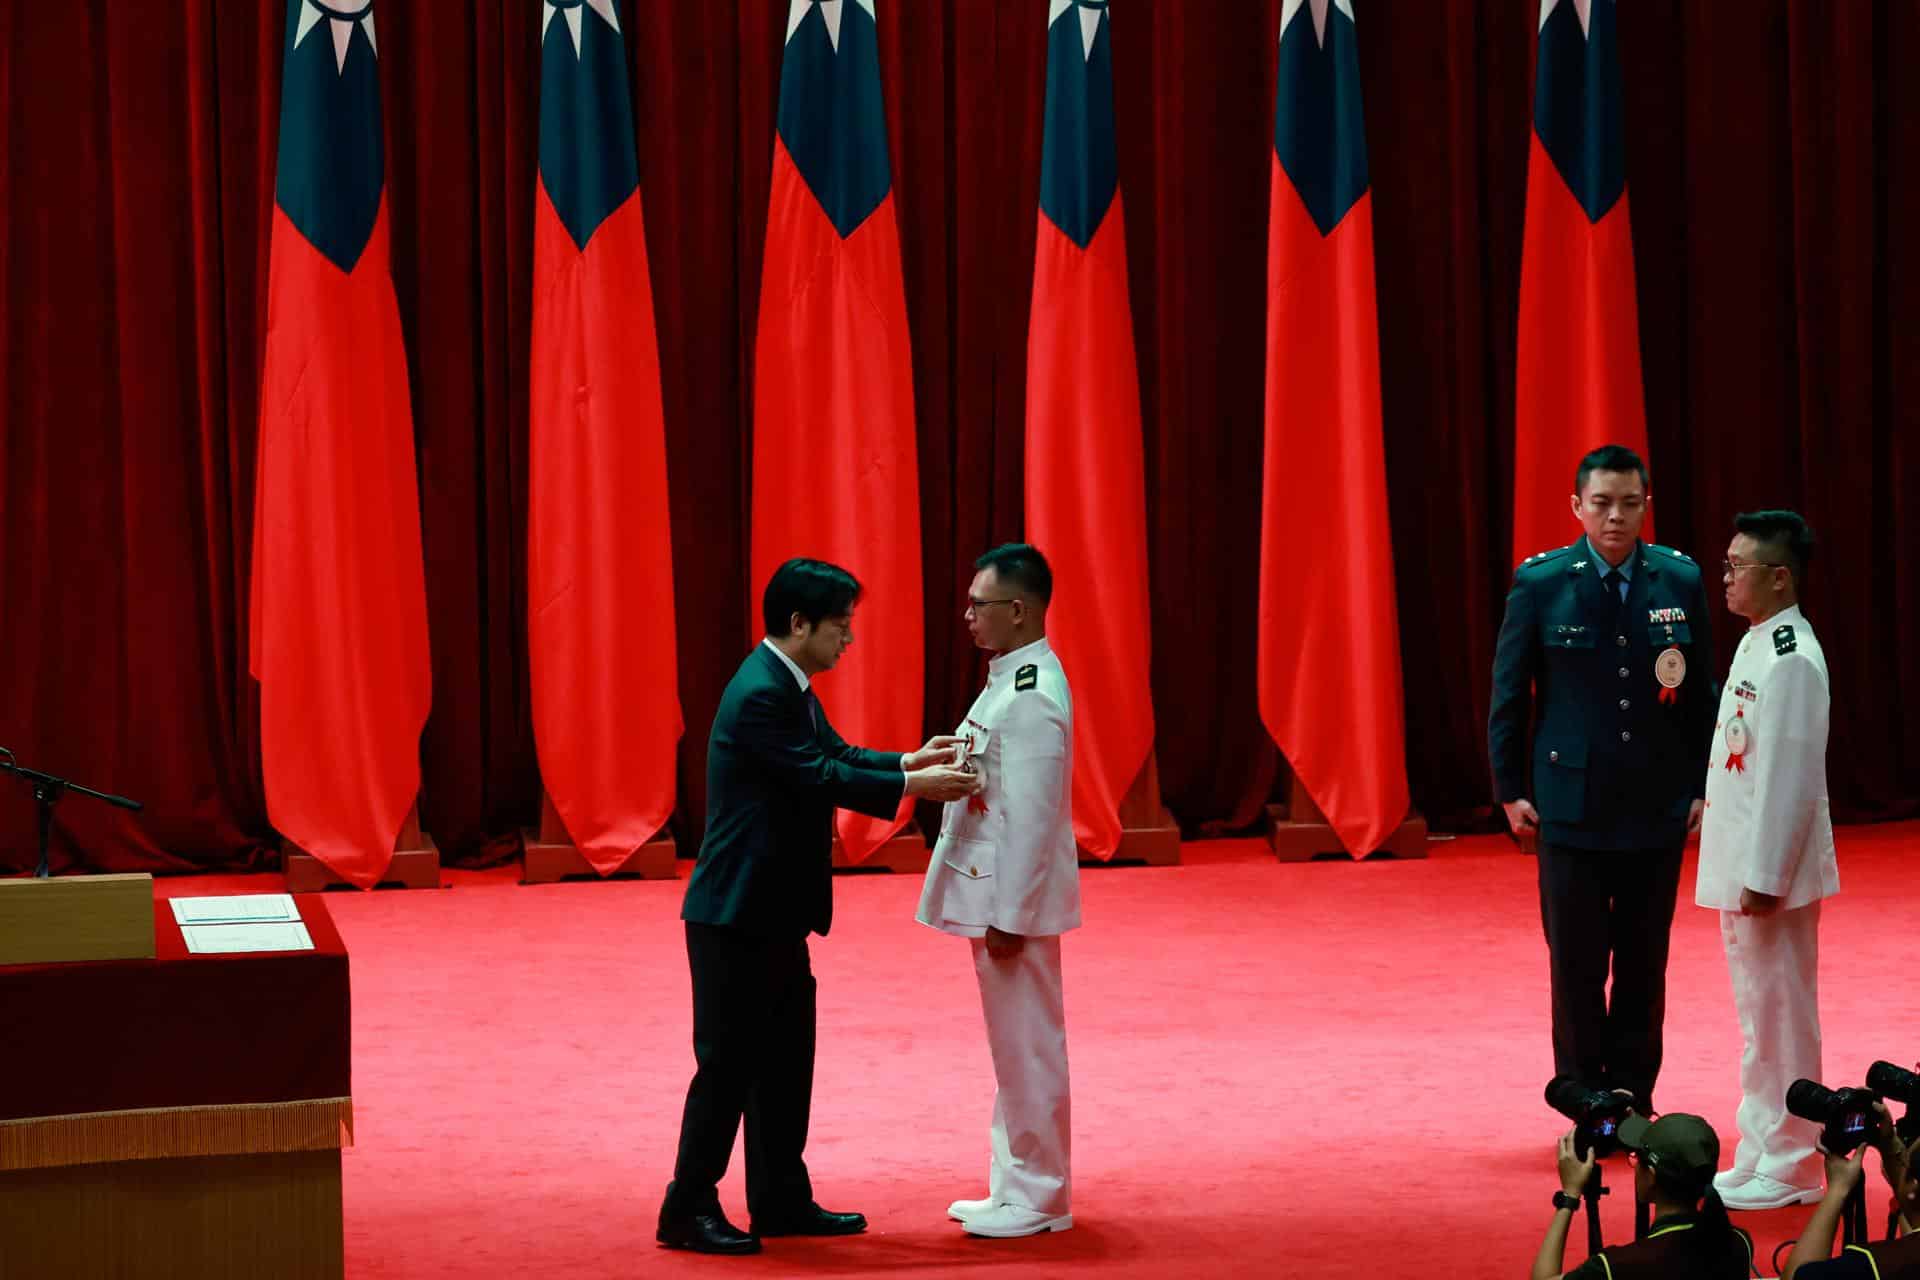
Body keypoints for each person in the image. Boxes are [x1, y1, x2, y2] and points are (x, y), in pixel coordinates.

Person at [657, 558, 981, 1255]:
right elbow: (820, 775)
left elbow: (835, 752)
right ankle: (686, 1207)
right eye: (841, 627)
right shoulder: (762, 695)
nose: (849, 641)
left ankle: (778, 1197)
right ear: (799, 624)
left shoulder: (787, 682)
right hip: (735, 914)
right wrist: (916, 786)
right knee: (729, 1065)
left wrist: (908, 762)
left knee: (783, 1060)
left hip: (770, 912)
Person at [1490, 444, 1715, 1115]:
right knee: (1578, 962)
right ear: (1577, 507)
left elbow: (1701, 692)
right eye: (1601, 503)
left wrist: (1705, 785)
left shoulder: (1677, 580)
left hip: (1656, 802)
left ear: (1646, 505)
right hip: (1570, 806)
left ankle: (1633, 1093)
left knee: (1645, 962)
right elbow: (1510, 694)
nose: (1615, 517)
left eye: (1629, 503)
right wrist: (1509, 789)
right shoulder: (1542, 583)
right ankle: (1585, 1095)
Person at [917, 543, 1080, 1239]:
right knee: (1010, 1046)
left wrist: (1010, 916)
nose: (968, 617)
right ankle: (1014, 1182)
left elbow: (1034, 822)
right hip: (997, 894)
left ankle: (1041, 1194)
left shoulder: (1033, 696)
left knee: (1028, 1045)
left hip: (1013, 903)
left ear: (1018, 610)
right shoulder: (1009, 678)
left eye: (979, 605)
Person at [1696, 510, 1839, 1211]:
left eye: (1737, 565)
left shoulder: (1791, 657)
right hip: (1745, 867)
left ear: (1778, 577)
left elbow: (1788, 780)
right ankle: (1761, 1145)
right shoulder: (1759, 643)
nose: (1726, 576)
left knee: (1780, 1016)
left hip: (1768, 877)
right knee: (1759, 1016)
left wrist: (1765, 877)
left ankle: (1792, 1161)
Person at [1532, 1112, 1754, 1279]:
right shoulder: (1739, 1243)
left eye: (1636, 1157)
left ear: (1651, 1176)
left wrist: (1569, 1196)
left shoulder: (1615, 1267)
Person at [1783, 1106, 1920, 1279]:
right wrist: (1890, 1145)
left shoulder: (1876, 1265)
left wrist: (1838, 1189)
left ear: (1913, 1187)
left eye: (1904, 1165)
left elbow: (1796, 1277)